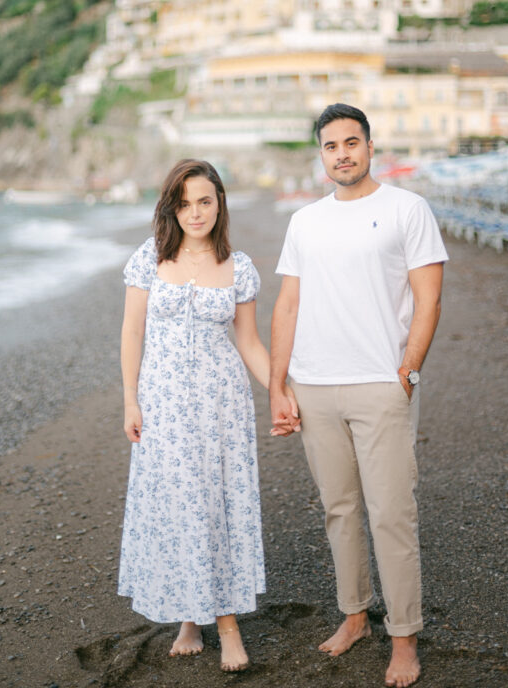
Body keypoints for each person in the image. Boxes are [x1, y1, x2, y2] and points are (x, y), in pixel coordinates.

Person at [269, 103, 447, 688]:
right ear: (321, 156)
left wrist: (409, 370)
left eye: (351, 142)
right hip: (315, 385)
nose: (342, 153)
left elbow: (428, 298)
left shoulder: (407, 209)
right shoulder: (305, 222)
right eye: (330, 146)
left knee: (392, 513)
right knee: (339, 510)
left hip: (381, 383)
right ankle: (354, 616)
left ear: (370, 146)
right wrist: (278, 384)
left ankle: (403, 638)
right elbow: (288, 305)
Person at [119, 158, 298, 672]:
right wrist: (131, 399)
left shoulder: (238, 266)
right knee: (179, 507)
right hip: (165, 406)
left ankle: (223, 623)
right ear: (170, 208)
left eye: (204, 201)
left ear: (219, 204)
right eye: (184, 203)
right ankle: (193, 618)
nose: (194, 213)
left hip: (222, 405)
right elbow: (132, 333)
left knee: (215, 507)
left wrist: (280, 390)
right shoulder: (149, 259)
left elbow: (248, 343)